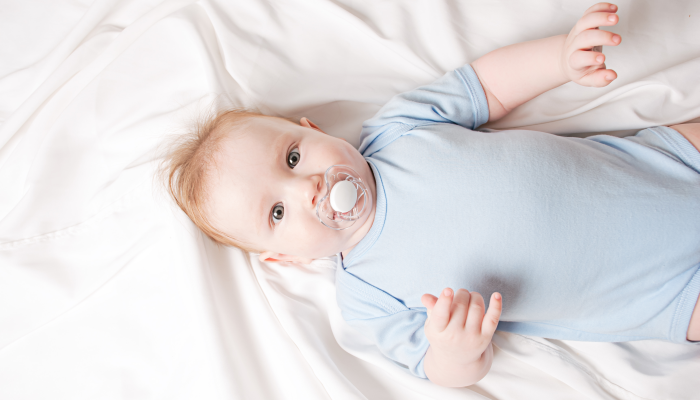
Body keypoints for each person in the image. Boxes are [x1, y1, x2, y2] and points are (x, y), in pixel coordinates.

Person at [163, 3, 700, 387]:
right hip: (665, 293)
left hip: (665, 161)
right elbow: (440, 371)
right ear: (284, 257)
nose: (307, 188)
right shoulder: (367, 297)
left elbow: (486, 86)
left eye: (293, 156)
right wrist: (455, 349)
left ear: (313, 128)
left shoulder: (397, 129)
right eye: (277, 212)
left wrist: (559, 59)